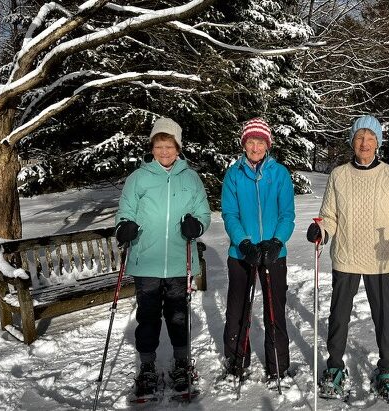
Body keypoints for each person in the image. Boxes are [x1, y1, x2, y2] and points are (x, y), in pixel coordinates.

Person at [306, 114, 389, 402]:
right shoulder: (339, 175)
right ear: (352, 142)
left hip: (380, 258)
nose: (364, 143)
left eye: (370, 138)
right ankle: (334, 368)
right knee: (339, 317)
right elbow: (330, 216)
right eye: (359, 137)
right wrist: (321, 230)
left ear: (377, 142)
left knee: (385, 318)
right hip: (346, 256)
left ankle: (387, 371)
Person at [115, 117, 211, 397]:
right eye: (159, 146)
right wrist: (124, 227)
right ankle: (147, 367)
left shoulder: (191, 178)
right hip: (147, 261)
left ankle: (181, 362)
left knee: (178, 315)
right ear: (152, 147)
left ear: (178, 148)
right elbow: (125, 211)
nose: (164, 152)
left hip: (180, 262)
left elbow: (204, 214)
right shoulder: (138, 178)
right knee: (147, 315)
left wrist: (198, 226)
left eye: (169, 146)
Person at [221, 117, 295, 383]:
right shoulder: (234, 174)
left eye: (260, 142)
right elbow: (229, 214)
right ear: (244, 144)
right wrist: (243, 242)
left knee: (275, 309)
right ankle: (237, 361)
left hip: (274, 253)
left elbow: (287, 214)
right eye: (250, 141)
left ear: (268, 144)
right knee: (237, 310)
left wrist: (276, 242)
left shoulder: (279, 174)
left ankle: (278, 365)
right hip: (242, 253)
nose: (255, 147)